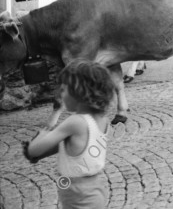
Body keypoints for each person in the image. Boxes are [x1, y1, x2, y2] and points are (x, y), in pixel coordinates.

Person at [23, 60, 115, 209]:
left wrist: (41, 135)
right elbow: (69, 146)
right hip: (93, 186)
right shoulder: (103, 120)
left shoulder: (75, 122)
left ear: (78, 91)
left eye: (64, 89)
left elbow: (34, 150)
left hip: (78, 193)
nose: (60, 94)